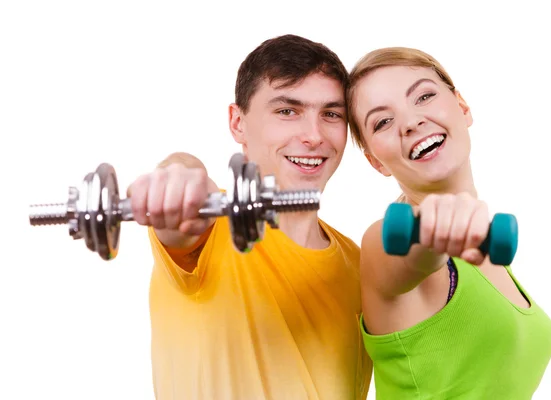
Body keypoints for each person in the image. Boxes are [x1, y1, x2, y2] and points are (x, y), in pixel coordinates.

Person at [126, 34, 373, 399]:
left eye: (331, 114)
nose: (313, 135)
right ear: (237, 123)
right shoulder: (208, 224)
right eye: (287, 111)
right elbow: (183, 203)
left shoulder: (361, 266)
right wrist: (177, 171)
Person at [345, 47, 551, 399]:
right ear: (375, 162)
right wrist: (432, 231)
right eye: (382, 121)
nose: (411, 122)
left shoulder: (482, 247)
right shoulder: (385, 241)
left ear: (462, 107)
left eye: (424, 96)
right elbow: (412, 255)